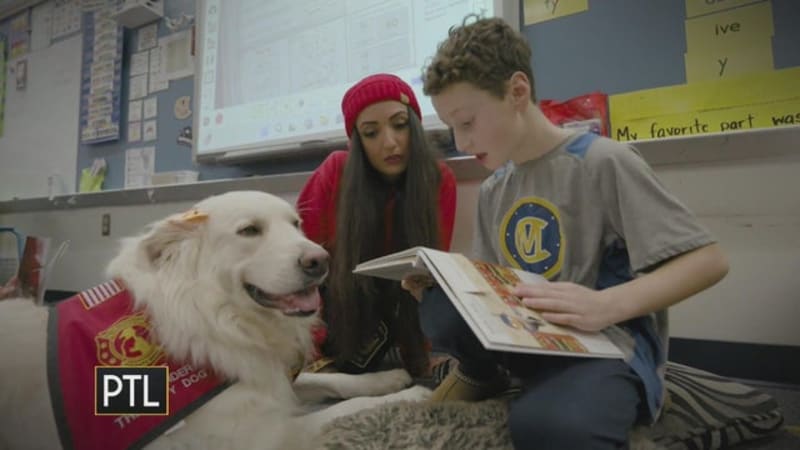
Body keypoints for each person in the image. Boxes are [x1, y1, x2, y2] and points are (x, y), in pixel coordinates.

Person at [409, 16, 730, 449]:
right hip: (530, 340)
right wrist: (443, 283)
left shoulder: (604, 162)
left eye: (467, 122)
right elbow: (492, 285)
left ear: (517, 92)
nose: (461, 143)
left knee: (548, 427)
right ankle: (485, 375)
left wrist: (603, 305)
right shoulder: (494, 188)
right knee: (439, 303)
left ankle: (614, 392)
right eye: (452, 128)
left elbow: (709, 261)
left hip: (604, 345)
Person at [297, 73, 457, 377]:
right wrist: (311, 356)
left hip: (394, 325)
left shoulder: (439, 179)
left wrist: (424, 354)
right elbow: (303, 273)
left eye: (400, 125)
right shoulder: (335, 170)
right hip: (330, 319)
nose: (390, 143)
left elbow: (428, 275)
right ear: (357, 141)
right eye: (371, 133)